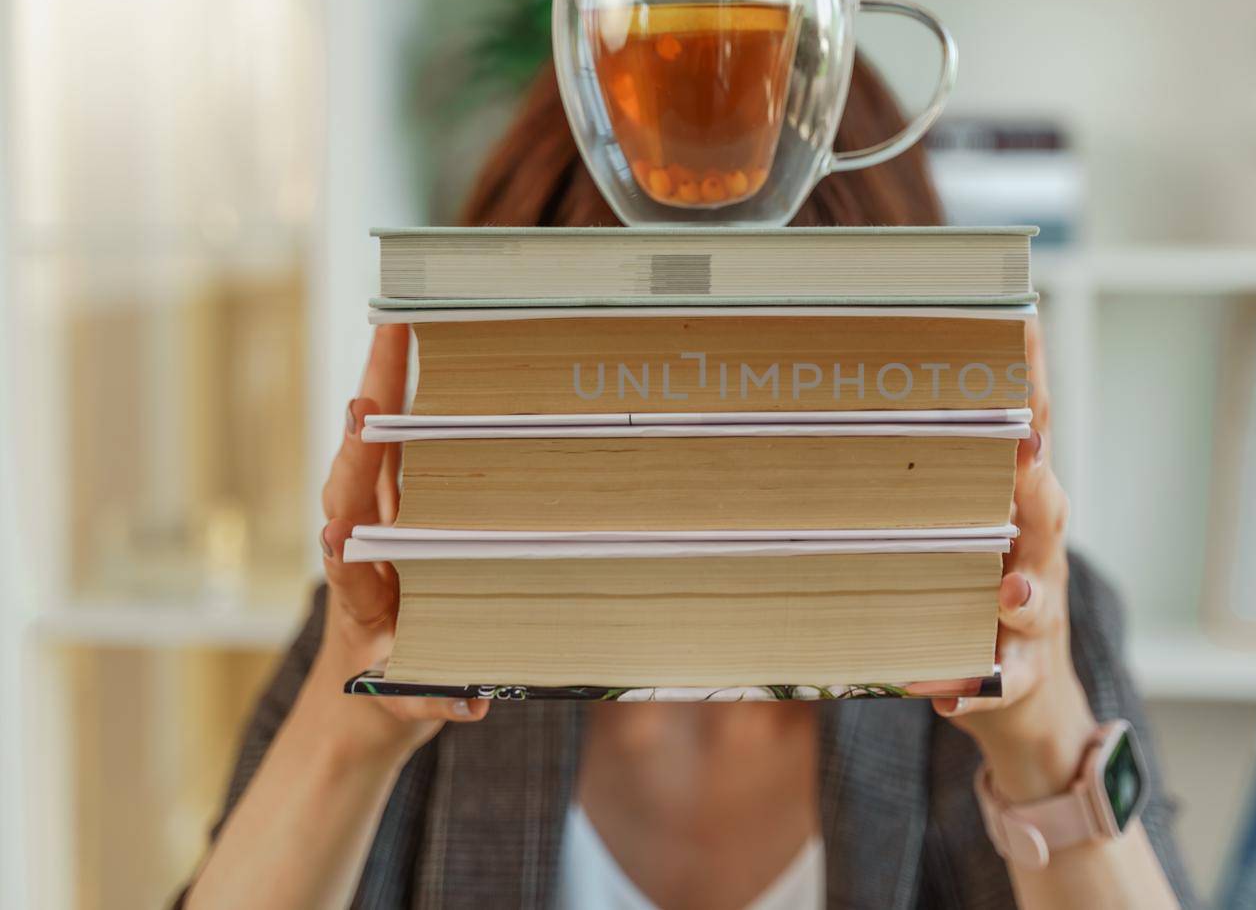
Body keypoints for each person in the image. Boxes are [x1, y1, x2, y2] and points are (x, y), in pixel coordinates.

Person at [181, 61, 1197, 910]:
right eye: (616, 369)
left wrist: (1042, 738)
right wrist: (350, 720)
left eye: (763, 369)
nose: (694, 438)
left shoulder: (1029, 624)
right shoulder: (404, 617)